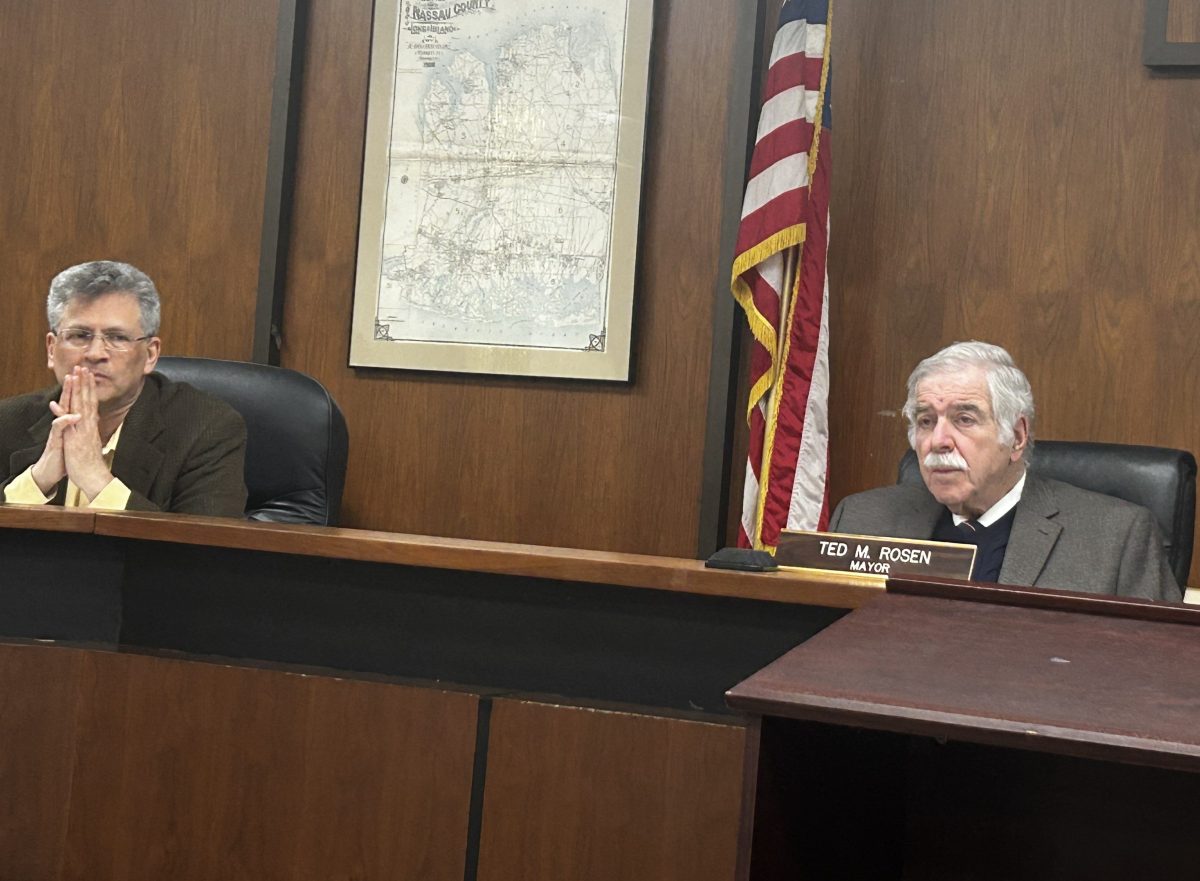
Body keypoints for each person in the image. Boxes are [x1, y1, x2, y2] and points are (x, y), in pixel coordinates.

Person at [830, 341, 1180, 601]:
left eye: (964, 419)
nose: (938, 441)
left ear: (1016, 436)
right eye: (925, 421)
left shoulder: (1115, 538)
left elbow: (1161, 674)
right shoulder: (861, 521)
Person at [0, 261, 247, 517]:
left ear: (150, 354)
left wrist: (95, 478)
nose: (95, 353)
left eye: (117, 337)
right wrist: (38, 480)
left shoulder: (206, 430)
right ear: (52, 349)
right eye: (80, 335)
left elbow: (205, 552)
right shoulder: (7, 422)